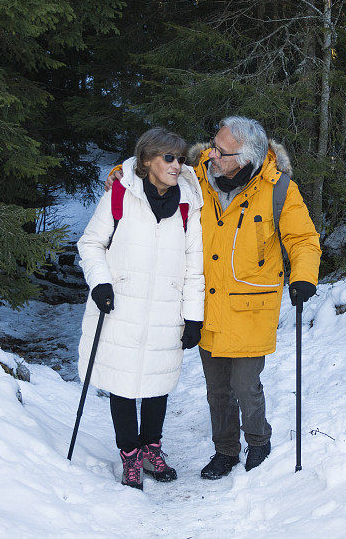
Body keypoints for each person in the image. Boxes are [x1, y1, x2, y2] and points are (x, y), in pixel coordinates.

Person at [106, 116, 321, 478]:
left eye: (222, 151)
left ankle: (258, 440)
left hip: (252, 305)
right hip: (209, 302)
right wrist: (118, 172)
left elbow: (302, 239)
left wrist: (303, 278)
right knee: (217, 388)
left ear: (246, 157)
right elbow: (154, 165)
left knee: (245, 384)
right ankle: (225, 451)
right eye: (214, 145)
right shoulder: (197, 174)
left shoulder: (279, 189)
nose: (212, 155)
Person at [77, 127, 205, 491]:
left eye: (180, 159)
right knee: (122, 382)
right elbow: (90, 244)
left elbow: (195, 265)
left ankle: (152, 449)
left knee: (157, 382)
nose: (177, 165)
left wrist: (193, 316)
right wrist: (101, 282)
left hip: (167, 308)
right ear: (147, 160)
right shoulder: (119, 194)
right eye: (169, 158)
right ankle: (130, 455)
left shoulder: (188, 204)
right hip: (121, 306)